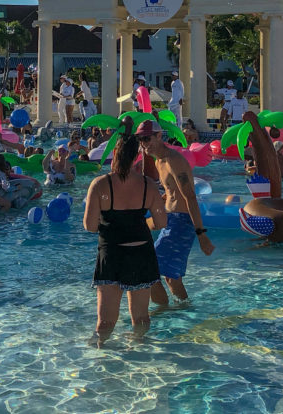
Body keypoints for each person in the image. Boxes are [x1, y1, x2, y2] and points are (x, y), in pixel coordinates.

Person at [83, 122, 167, 343]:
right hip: (141, 253)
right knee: (140, 318)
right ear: (137, 156)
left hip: (111, 255)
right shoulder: (149, 185)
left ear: (113, 153)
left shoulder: (100, 185)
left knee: (105, 323)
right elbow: (160, 222)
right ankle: (137, 356)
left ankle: (100, 357)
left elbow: (90, 227)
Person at [137, 120, 216, 306]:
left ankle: (165, 312)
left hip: (181, 223)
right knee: (171, 278)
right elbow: (172, 191)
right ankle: (184, 309)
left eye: (147, 138)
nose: (144, 143)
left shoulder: (174, 160)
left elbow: (190, 197)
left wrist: (201, 234)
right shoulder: (159, 161)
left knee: (148, 269)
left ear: (158, 136)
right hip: (171, 220)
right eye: (141, 139)